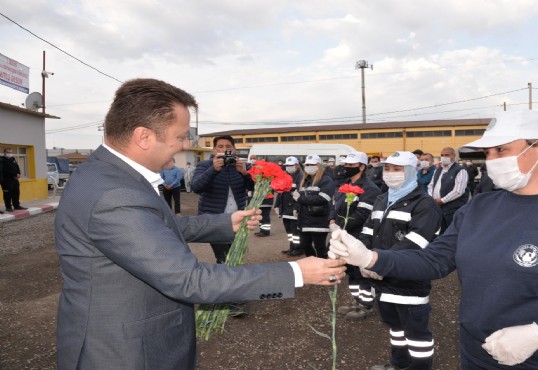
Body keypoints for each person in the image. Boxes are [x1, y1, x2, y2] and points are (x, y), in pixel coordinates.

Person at [54, 78, 346, 370]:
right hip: (124, 353)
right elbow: (190, 280)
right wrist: (294, 272)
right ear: (144, 136)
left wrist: (223, 223)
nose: (185, 144)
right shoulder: (114, 193)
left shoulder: (110, 175)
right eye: (181, 136)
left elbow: (155, 228)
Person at [330, 110, 538, 369]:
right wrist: (370, 258)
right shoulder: (480, 207)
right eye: (489, 151)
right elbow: (435, 259)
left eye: (502, 150)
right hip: (476, 354)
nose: (492, 158)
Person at [337, 151, 442, 370]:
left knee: (416, 336)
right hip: (382, 281)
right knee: (395, 328)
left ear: (412, 172)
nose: (391, 173)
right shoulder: (382, 199)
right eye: (388, 168)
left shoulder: (424, 204)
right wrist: (364, 259)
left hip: (408, 283)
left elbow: (416, 242)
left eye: (398, 169)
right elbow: (366, 231)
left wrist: (378, 262)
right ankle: (398, 364)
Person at [328, 151, 381, 320]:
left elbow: (361, 215)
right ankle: (356, 300)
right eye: (346, 165)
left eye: (351, 166)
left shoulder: (370, 189)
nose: (346, 168)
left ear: (362, 167)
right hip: (343, 235)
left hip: (358, 237)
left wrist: (339, 229)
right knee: (350, 271)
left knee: (361, 272)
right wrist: (331, 221)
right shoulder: (345, 186)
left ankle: (366, 304)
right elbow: (335, 207)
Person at [191, 135, 254, 263]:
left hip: (239, 217)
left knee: (237, 253)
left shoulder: (242, 166)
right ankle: (226, 279)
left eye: (228, 147)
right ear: (214, 150)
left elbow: (255, 188)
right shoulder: (204, 165)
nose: (224, 149)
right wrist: (213, 170)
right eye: (220, 147)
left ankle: (235, 278)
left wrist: (245, 173)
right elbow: (196, 187)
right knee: (223, 257)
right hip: (215, 220)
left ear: (234, 150)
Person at [295, 154, 335, 258]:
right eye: (307, 164)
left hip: (319, 220)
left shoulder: (326, 180)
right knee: (305, 245)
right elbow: (300, 198)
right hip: (304, 221)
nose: (309, 166)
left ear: (319, 165)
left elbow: (323, 198)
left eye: (312, 164)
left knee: (320, 248)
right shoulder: (305, 181)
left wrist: (300, 199)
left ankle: (324, 268)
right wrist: (296, 206)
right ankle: (313, 263)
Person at [427, 147, 468, 234]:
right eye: (442, 155)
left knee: (453, 233)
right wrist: (431, 198)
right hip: (438, 208)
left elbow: (458, 191)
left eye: (447, 155)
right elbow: (431, 185)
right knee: (440, 233)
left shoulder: (460, 170)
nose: (444, 157)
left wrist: (442, 200)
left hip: (453, 209)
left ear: (453, 156)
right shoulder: (438, 170)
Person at [276, 156, 304, 257]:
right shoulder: (285, 176)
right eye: (287, 165)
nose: (288, 167)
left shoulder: (301, 177)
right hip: (285, 208)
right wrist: (277, 205)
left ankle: (298, 248)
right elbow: (280, 192)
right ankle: (292, 247)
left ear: (296, 165)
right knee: (289, 231)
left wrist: (296, 207)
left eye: (290, 165)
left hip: (293, 209)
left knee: (295, 231)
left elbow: (300, 194)